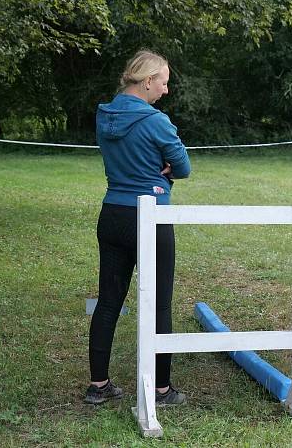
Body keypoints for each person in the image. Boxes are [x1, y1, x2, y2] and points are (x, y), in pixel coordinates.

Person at [86, 50, 191, 406]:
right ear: (147, 81)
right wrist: (166, 166)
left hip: (112, 214)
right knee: (160, 303)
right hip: (151, 218)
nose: (165, 90)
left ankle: (98, 385)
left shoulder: (104, 116)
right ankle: (162, 390)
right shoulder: (156, 121)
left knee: (108, 302)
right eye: (163, 82)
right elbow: (184, 166)